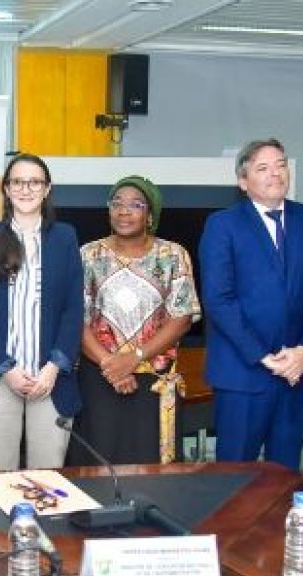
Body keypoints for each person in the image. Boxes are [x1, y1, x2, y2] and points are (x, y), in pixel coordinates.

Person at [199, 138, 303, 470]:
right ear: (243, 182)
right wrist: (265, 358)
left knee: (286, 479)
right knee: (233, 480)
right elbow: (219, 300)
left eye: (280, 165)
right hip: (243, 375)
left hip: (297, 374)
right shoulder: (222, 225)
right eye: (263, 168)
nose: (275, 173)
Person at [66, 175, 201, 466]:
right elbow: (76, 319)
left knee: (151, 473)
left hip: (153, 382)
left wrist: (135, 357)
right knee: (98, 469)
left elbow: (182, 318)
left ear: (150, 214)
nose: (124, 211)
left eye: (135, 205)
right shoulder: (88, 254)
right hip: (100, 380)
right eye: (117, 204)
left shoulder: (172, 255)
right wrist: (111, 365)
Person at [0, 154, 84, 471]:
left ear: (47, 189)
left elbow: (74, 308)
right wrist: (5, 369)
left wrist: (54, 367)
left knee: (48, 482)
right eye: (17, 181)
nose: (26, 188)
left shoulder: (65, 237)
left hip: (50, 380)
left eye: (35, 182)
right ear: (6, 189)